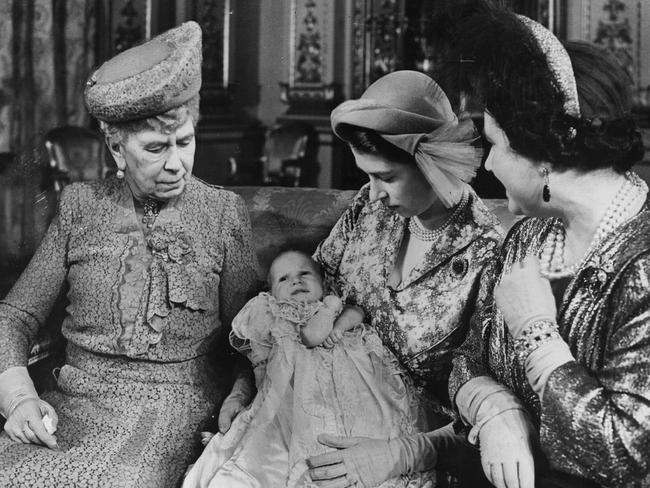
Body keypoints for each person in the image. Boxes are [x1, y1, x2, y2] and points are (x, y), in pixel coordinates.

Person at [0, 21, 258, 487]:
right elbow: (15, 314)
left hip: (176, 412)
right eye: (156, 148)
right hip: (71, 404)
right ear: (117, 149)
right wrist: (18, 396)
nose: (176, 163)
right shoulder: (80, 205)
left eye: (185, 142)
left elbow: (253, 339)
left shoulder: (224, 214)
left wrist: (239, 400)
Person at [443, 5, 650, 488]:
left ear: (544, 152)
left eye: (496, 143)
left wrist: (537, 334)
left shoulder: (642, 263)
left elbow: (633, 455)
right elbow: (464, 361)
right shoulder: (527, 237)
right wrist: (495, 410)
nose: (488, 164)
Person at [263, 70, 501, 487]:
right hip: (321, 419)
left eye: (386, 177)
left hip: (408, 455)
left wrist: (400, 456)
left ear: (433, 163)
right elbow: (298, 306)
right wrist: (246, 394)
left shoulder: (487, 256)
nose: (372, 193)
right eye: (367, 176)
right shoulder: (367, 211)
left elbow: (492, 415)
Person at [184, 249, 442, 487]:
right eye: (284, 279)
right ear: (270, 293)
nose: (296, 281)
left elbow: (358, 311)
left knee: (372, 427)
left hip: (351, 388)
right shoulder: (278, 313)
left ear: (324, 284)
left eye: (305, 274)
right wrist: (329, 311)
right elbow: (311, 336)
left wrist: (339, 324)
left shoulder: (336, 305)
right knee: (274, 452)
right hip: (295, 399)